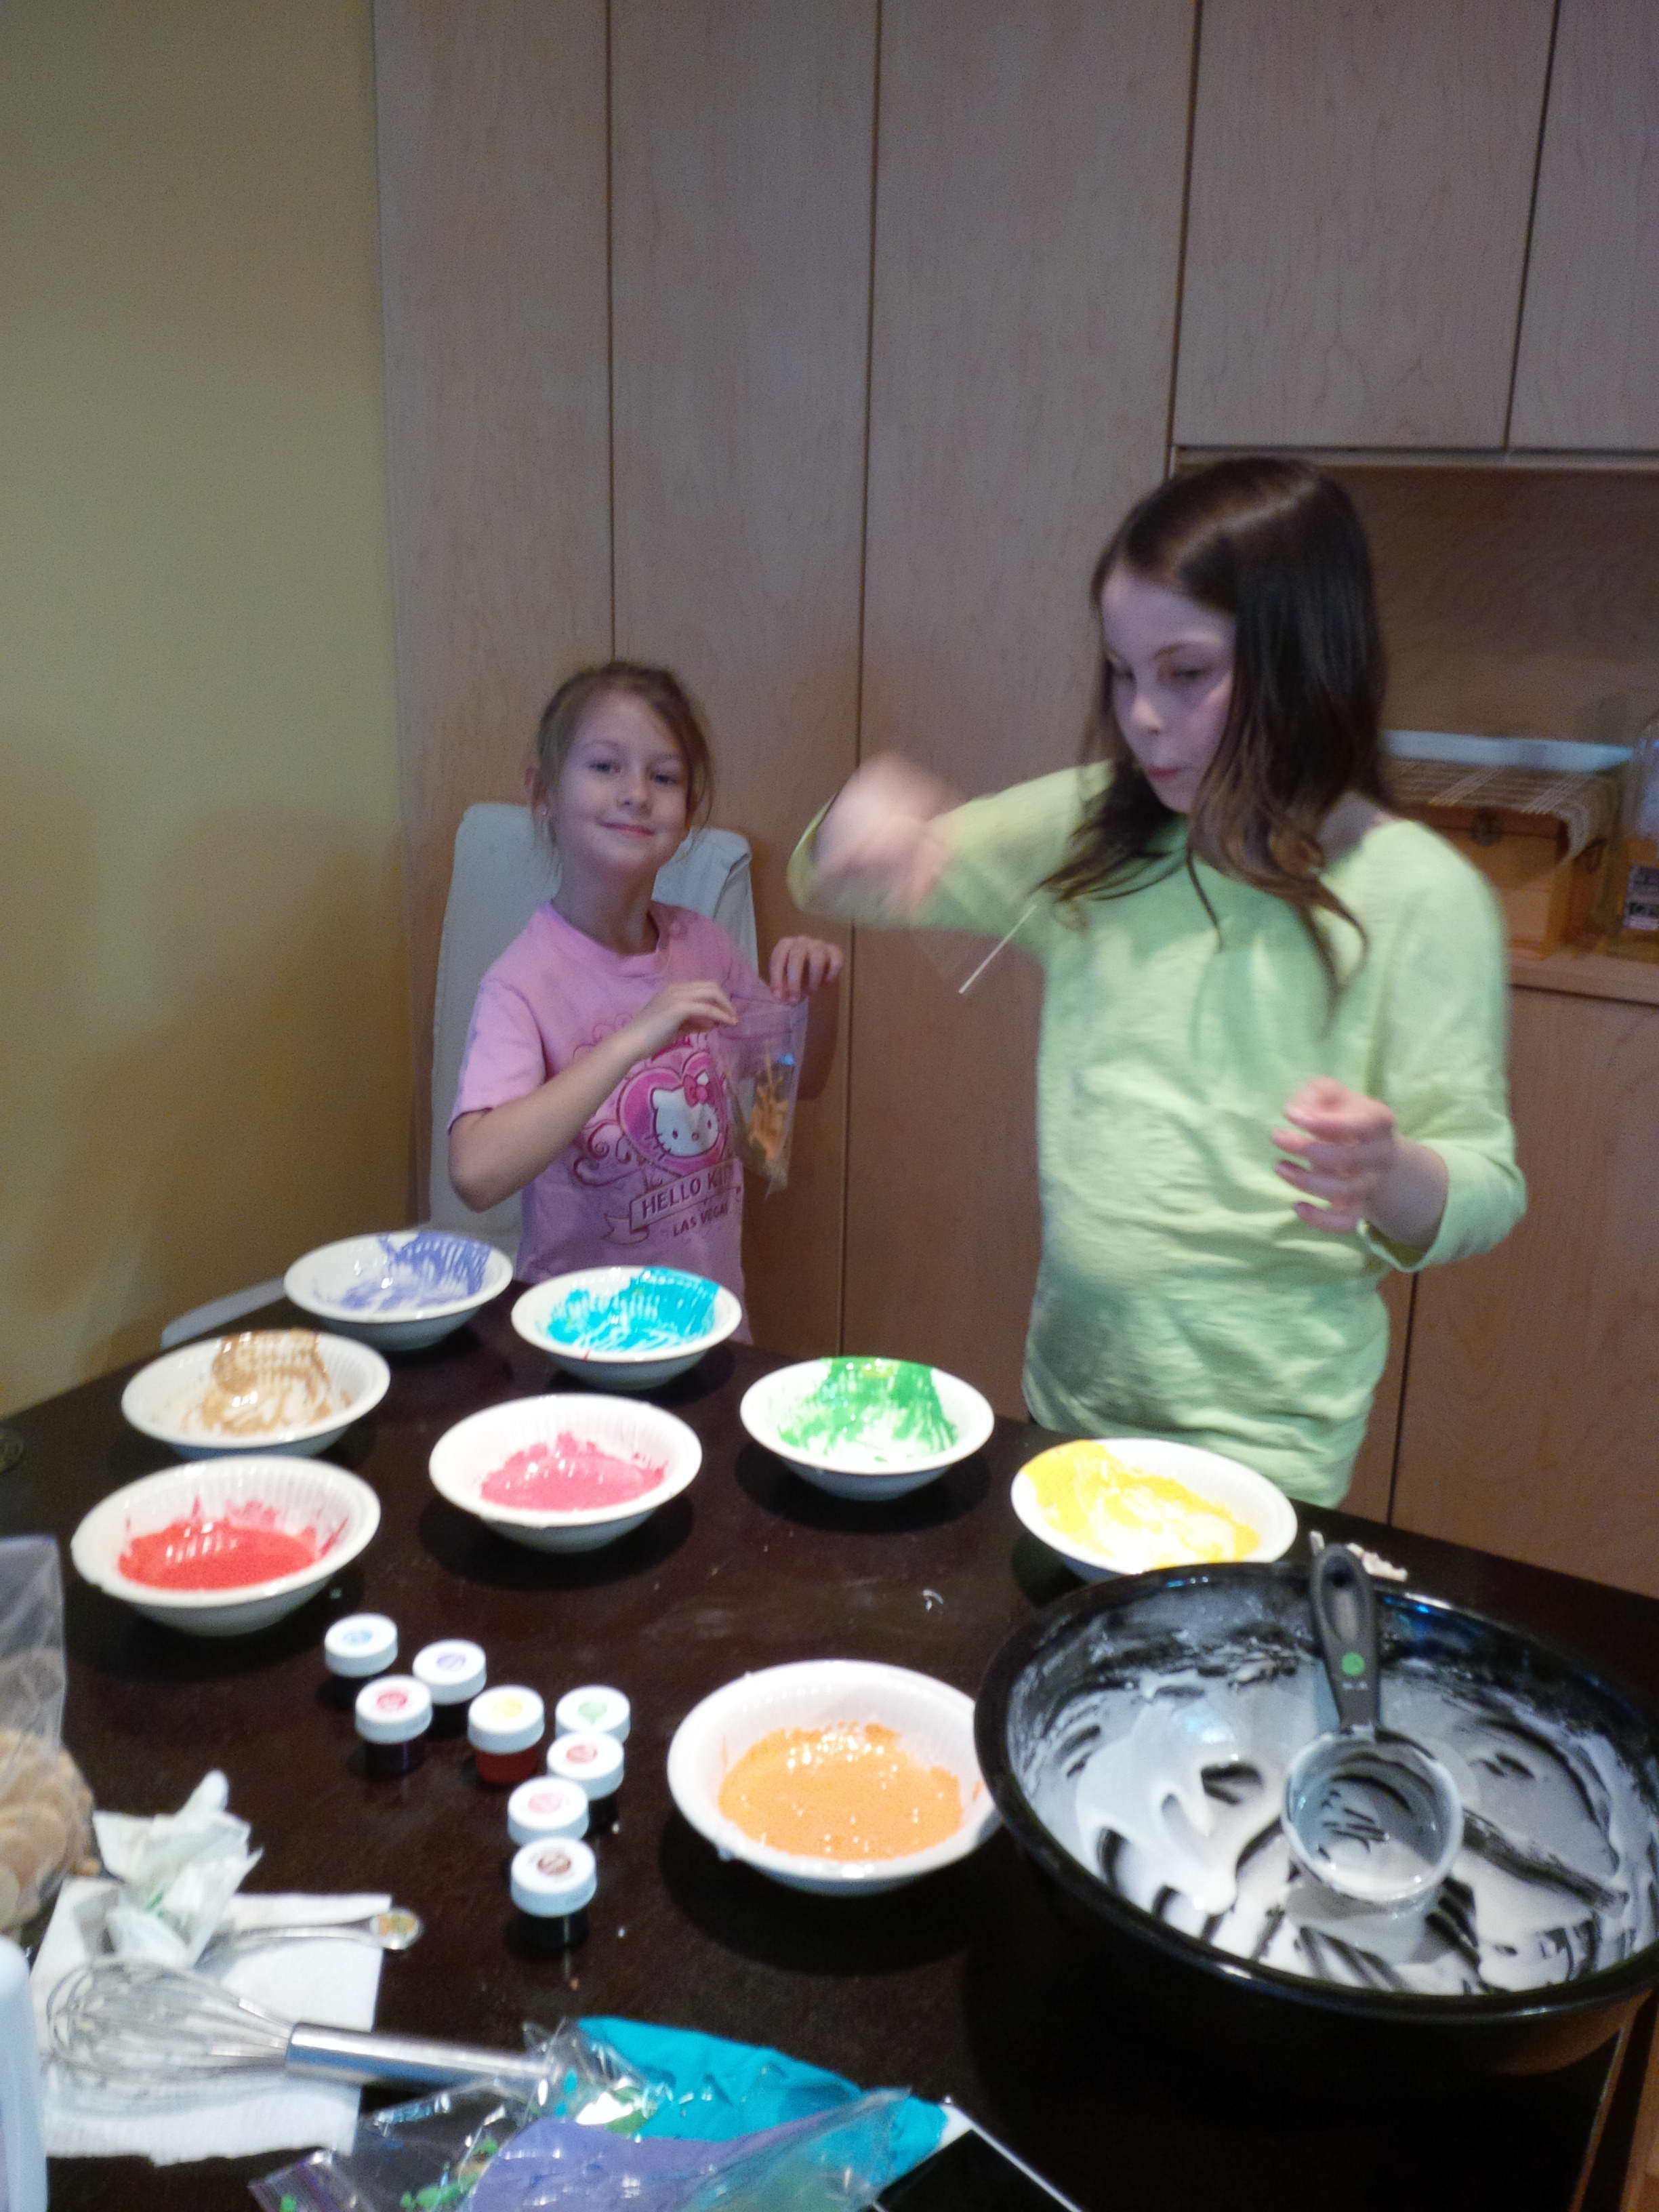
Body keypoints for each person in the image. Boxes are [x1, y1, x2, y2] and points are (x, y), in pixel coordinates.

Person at [790, 457, 1523, 1504]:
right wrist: (856, 830)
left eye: (1186, 673)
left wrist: (1394, 1172)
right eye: (1122, 673)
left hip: (1269, 1455)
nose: (1140, 715)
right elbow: (840, 879)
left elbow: (1489, 1184)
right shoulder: (1099, 827)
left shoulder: (1421, 894)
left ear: (1305, 657)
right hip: (1070, 1409)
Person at [449, 661, 842, 1317]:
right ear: (543, 793)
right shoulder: (523, 982)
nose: (635, 793)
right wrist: (635, 1038)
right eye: (605, 767)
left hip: (707, 1323)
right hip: (578, 1334)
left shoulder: (704, 947)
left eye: (664, 777)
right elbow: (475, 1174)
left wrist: (815, 996)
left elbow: (795, 1083)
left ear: (689, 813)